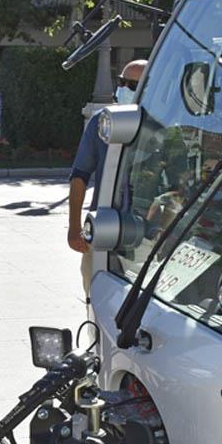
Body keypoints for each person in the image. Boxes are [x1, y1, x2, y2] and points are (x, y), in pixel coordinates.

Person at [67, 59, 147, 293]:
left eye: (132, 85)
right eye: (121, 82)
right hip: (103, 227)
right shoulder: (102, 122)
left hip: (145, 234)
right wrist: (74, 227)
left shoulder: (162, 126)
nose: (123, 89)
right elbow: (79, 176)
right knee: (95, 292)